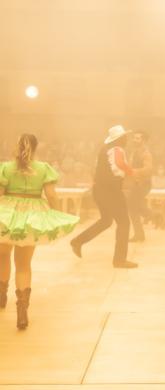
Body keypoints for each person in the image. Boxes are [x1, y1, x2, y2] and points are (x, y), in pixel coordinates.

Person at [0, 134, 79, 330]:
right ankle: (22, 313)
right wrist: (57, 214)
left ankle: (1, 296)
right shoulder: (43, 168)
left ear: (16, 147)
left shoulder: (6, 167)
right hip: (33, 216)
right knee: (24, 264)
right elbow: (51, 195)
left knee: (2, 255)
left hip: (7, 214)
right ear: (36, 148)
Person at [70, 125, 138, 269]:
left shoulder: (104, 150)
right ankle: (119, 260)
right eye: (125, 137)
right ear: (120, 138)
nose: (127, 139)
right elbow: (120, 163)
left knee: (106, 221)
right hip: (111, 191)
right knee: (124, 223)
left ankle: (77, 241)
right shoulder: (117, 149)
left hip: (100, 191)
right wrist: (132, 173)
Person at [126, 132, 153, 242]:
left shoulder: (146, 154)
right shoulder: (133, 152)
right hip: (135, 184)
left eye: (137, 138)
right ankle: (139, 235)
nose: (134, 140)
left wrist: (133, 171)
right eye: (134, 138)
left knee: (133, 208)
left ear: (143, 141)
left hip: (143, 184)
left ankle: (154, 215)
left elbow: (148, 169)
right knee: (133, 209)